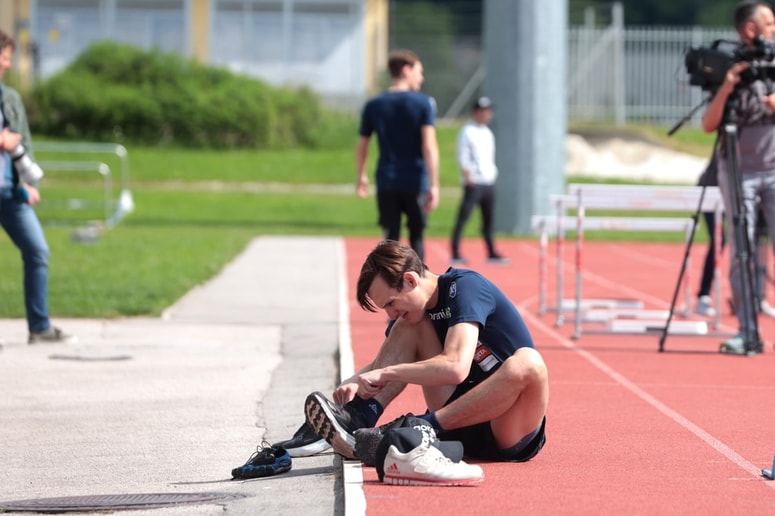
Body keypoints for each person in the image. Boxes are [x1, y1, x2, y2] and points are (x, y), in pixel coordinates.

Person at [304, 240, 548, 470]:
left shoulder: (465, 288)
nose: (390, 314)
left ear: (410, 280)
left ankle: (421, 427)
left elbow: (455, 367)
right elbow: (390, 362)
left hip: (506, 426)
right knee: (409, 324)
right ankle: (359, 417)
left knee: (529, 362)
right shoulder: (412, 315)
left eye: (390, 303)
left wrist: (386, 372)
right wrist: (356, 381)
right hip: (456, 423)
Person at [701, 0, 775, 354]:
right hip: (737, 171)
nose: (774, 32)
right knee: (741, 252)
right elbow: (708, 124)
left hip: (773, 169)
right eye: (770, 25)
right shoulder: (727, 65)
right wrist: (728, 85)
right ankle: (748, 331)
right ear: (750, 29)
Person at [0, 30, 75, 344]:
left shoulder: (10, 98)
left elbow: (24, 142)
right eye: (3, 57)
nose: (6, 64)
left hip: (9, 191)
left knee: (37, 250)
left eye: (8, 58)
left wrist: (30, 183)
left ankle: (40, 326)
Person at [355, 49, 440, 261]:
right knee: (417, 236)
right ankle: (421, 287)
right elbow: (429, 147)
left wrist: (361, 176)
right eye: (419, 72)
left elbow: (363, 146)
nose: (422, 78)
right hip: (414, 179)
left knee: (390, 239)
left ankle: (388, 287)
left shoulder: (373, 105)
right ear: (406, 70)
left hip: (387, 180)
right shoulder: (423, 103)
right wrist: (435, 184)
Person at [450, 96, 509, 266]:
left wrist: (492, 174)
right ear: (477, 112)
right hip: (474, 181)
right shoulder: (467, 131)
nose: (488, 114)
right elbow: (463, 155)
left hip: (488, 181)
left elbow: (490, 157)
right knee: (463, 217)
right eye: (485, 111)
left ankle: (491, 252)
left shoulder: (487, 132)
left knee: (488, 219)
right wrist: (468, 175)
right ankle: (455, 252)